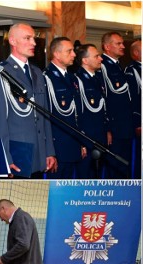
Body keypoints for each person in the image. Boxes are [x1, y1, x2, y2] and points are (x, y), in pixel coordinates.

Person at [0, 23, 56, 179]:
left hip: (39, 153)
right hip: (16, 153)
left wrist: (49, 151)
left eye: (34, 38)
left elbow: (44, 115)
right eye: (27, 38)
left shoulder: (37, 72)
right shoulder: (0, 72)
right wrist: (4, 159)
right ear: (12, 41)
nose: (33, 43)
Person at [43, 37, 85, 179]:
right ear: (57, 54)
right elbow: (46, 117)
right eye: (69, 51)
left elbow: (77, 115)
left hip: (73, 145)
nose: (74, 54)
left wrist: (81, 142)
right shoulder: (46, 78)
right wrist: (50, 152)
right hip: (58, 147)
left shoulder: (73, 79)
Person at [100, 31, 134, 179]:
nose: (123, 47)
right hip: (115, 126)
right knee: (115, 168)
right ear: (107, 46)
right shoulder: (102, 66)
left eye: (122, 43)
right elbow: (104, 98)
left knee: (123, 167)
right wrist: (108, 127)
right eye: (118, 43)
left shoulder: (118, 66)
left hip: (125, 125)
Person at [74, 43, 108, 179]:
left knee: (97, 175)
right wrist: (81, 140)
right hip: (87, 137)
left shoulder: (98, 78)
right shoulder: (77, 80)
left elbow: (103, 108)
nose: (100, 59)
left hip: (99, 136)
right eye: (97, 56)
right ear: (85, 60)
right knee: (85, 177)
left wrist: (107, 130)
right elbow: (78, 112)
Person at [124, 39, 142, 179]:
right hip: (139, 123)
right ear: (136, 52)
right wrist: (137, 122)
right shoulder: (131, 71)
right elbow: (132, 98)